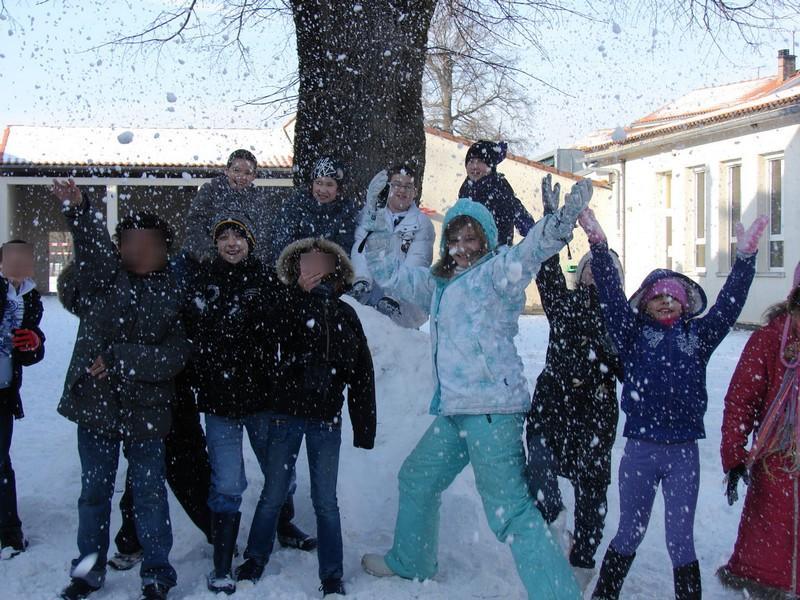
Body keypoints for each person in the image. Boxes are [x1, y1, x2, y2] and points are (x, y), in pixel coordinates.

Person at [360, 174, 594, 599]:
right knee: (417, 478)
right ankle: (412, 560)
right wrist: (376, 225)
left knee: (512, 512)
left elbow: (530, 252)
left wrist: (559, 224)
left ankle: (559, 594)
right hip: (455, 411)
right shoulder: (439, 283)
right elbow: (391, 276)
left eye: (472, 238)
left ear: (485, 240)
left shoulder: (497, 273)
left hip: (491, 412)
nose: (463, 246)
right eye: (455, 238)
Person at [578, 208, 768, 600]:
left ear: (686, 305)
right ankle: (604, 595)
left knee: (680, 541)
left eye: (674, 297)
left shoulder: (698, 338)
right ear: (645, 305)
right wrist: (599, 246)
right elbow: (612, 298)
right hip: (640, 452)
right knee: (629, 531)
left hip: (682, 453)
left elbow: (729, 305)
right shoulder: (630, 336)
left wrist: (745, 262)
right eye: (657, 297)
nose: (666, 301)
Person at [52, 179, 190, 600]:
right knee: (94, 494)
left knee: (149, 496)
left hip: (148, 412)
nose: (137, 249)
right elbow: (92, 249)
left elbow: (175, 355)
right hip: (95, 409)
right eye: (128, 241)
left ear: (165, 248)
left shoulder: (175, 291)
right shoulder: (102, 280)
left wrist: (120, 357)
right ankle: (87, 572)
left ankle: (157, 574)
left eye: (147, 242)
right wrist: (79, 210)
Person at [233, 236, 376, 596]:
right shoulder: (285, 303)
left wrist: (365, 425)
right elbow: (264, 333)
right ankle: (255, 557)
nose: (314, 269)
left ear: (336, 269)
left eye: (322, 262)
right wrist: (295, 295)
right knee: (274, 493)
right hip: (285, 416)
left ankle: (331, 576)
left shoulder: (345, 314)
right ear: (295, 268)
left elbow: (361, 371)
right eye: (306, 262)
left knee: (326, 501)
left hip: (327, 420)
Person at [526, 176, 623, 591]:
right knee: (540, 463)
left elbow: (629, 366)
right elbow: (546, 270)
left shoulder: (621, 321)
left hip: (596, 411)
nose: (596, 278)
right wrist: (552, 219)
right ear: (581, 275)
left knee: (592, 488)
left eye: (606, 273)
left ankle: (583, 558)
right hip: (552, 402)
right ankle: (551, 518)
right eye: (590, 271)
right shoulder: (563, 305)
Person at [183, 213, 281, 594]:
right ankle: (222, 563)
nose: (231, 243)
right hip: (219, 401)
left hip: (260, 398)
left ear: (250, 243)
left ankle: (282, 524)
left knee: (278, 473)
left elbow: (276, 328)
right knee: (227, 483)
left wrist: (250, 319)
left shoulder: (266, 280)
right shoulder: (202, 281)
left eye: (238, 236)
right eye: (224, 236)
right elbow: (195, 336)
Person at [717, 262, 800, 598]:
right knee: (771, 571)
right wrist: (735, 457)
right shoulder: (769, 342)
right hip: (777, 470)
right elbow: (741, 402)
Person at [0, 240, 44, 558]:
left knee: (1, 459)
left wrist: (35, 343)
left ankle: (9, 530)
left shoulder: (31, 298)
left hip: (4, 389)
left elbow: (29, 352)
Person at [350, 165, 435, 328]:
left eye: (408, 186)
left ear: (415, 192)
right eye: (396, 184)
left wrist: (393, 295)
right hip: (368, 295)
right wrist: (361, 280)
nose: (401, 191)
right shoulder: (373, 215)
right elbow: (360, 247)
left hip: (402, 303)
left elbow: (417, 260)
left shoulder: (423, 224)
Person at [183, 149, 281, 264]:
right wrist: (211, 256)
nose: (241, 176)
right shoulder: (210, 191)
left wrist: (251, 261)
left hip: (248, 266)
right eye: (236, 170)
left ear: (254, 176)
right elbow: (195, 225)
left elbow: (266, 235)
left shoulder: (259, 199)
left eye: (247, 173)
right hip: (209, 263)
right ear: (226, 171)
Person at [266, 156, 359, 267]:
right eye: (318, 183)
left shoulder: (347, 213)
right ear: (312, 184)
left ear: (338, 189)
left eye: (329, 184)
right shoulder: (294, 207)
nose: (323, 190)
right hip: (294, 273)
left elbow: (347, 252)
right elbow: (280, 245)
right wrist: (304, 259)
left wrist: (324, 262)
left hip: (332, 276)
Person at [457, 140, 535, 247]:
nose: (474, 166)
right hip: (470, 252)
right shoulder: (465, 188)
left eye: (480, 161)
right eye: (470, 162)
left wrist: (531, 231)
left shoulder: (499, 186)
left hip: (496, 253)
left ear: (490, 166)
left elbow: (517, 211)